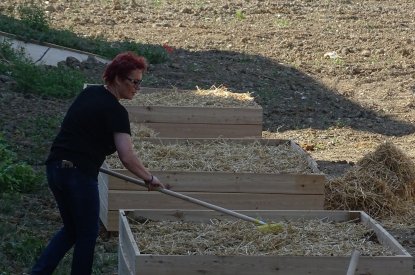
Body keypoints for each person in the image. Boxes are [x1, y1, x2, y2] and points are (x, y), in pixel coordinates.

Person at [31, 52, 167, 275]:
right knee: (87, 233)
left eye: (140, 82)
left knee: (73, 229)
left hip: (55, 168)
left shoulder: (89, 93)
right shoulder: (117, 112)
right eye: (134, 82)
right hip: (78, 174)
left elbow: (76, 130)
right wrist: (149, 178)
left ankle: (37, 272)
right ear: (117, 79)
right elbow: (127, 156)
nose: (137, 88)